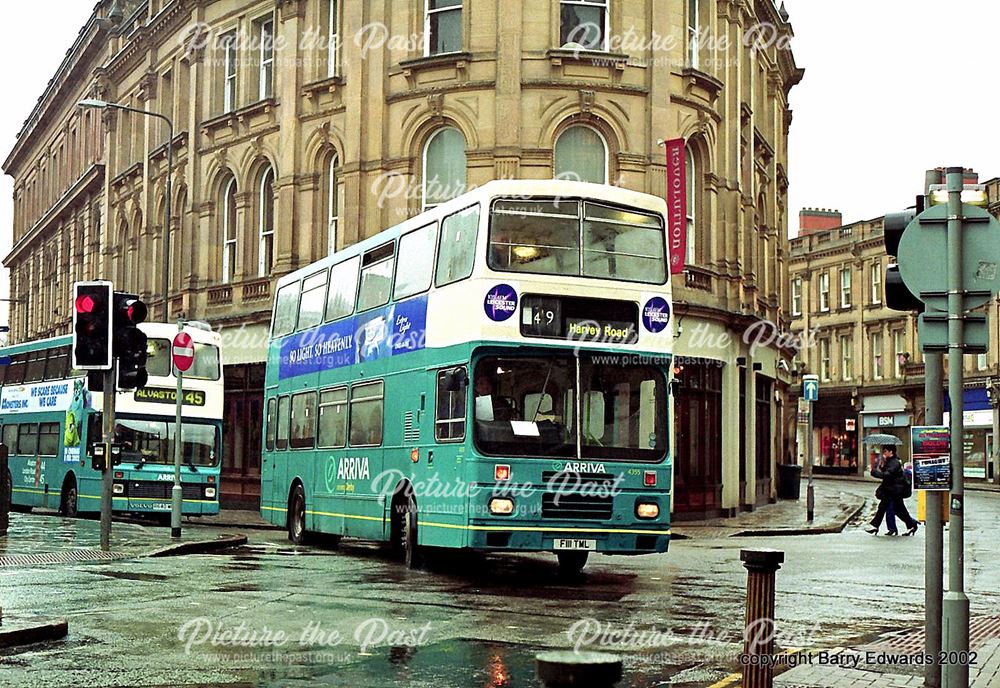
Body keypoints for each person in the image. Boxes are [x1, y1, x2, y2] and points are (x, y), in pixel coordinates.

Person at [866, 445, 918, 536]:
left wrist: (873, 471)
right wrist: (882, 466)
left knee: (897, 510)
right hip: (890, 490)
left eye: (885, 451)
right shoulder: (890, 461)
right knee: (887, 508)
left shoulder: (895, 462)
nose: (884, 453)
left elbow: (887, 475)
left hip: (894, 491)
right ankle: (875, 526)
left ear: (891, 452)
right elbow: (887, 472)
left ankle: (911, 525)